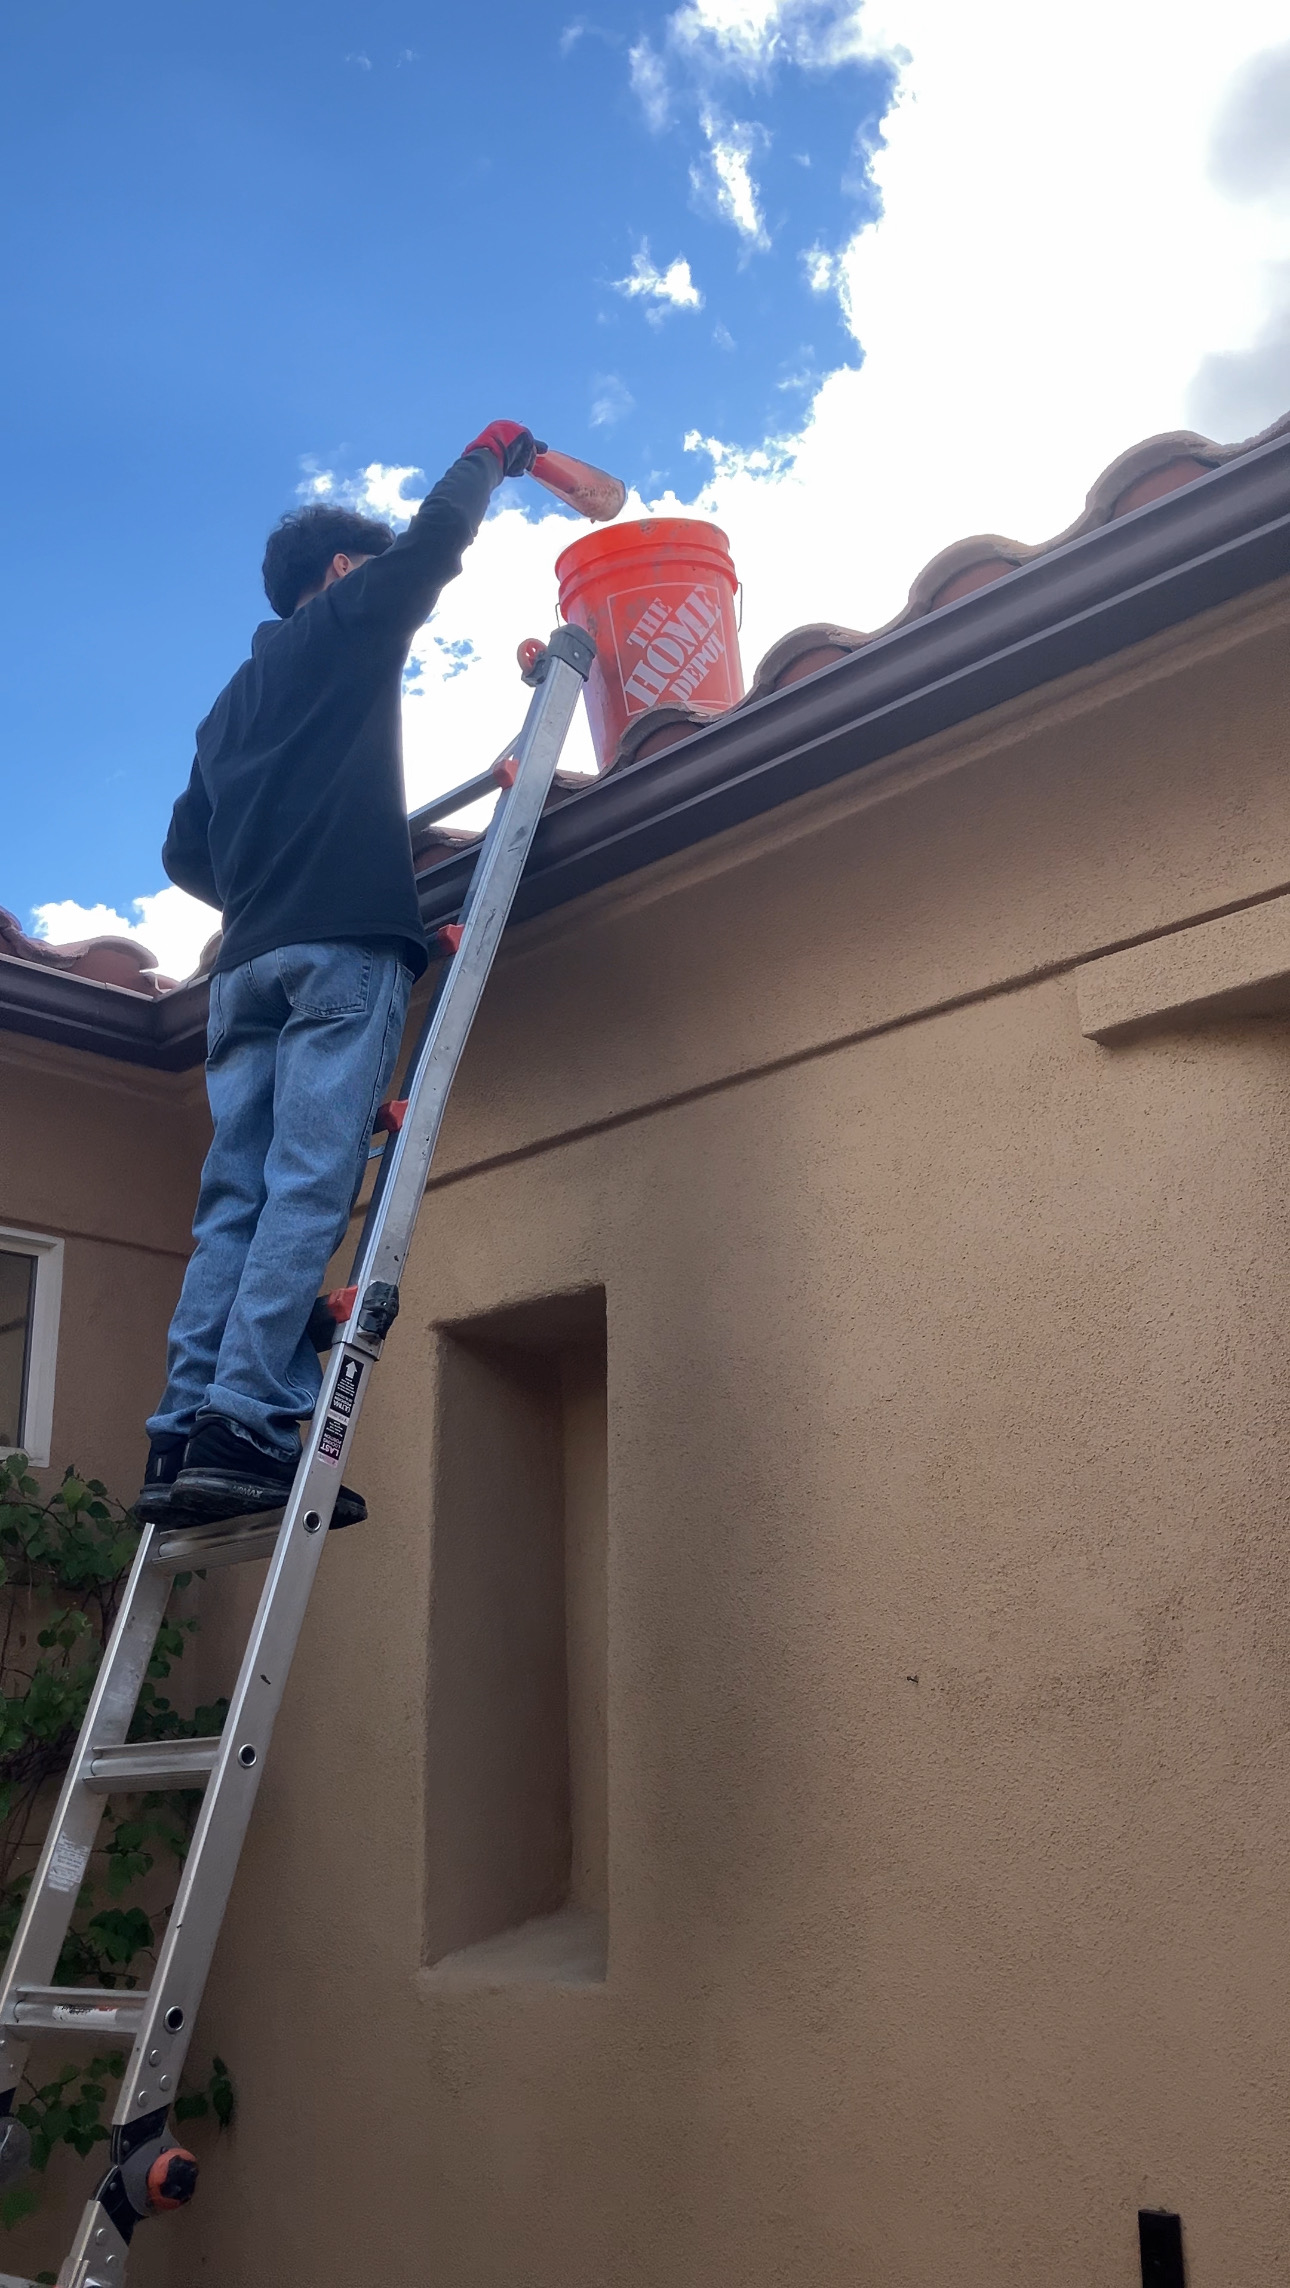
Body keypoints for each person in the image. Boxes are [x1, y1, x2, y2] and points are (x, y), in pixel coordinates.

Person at [135, 420, 543, 1527]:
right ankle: (248, 1415)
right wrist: (497, 454)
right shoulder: (347, 621)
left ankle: (182, 1435)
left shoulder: (230, 705)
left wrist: (266, 882)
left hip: (246, 972)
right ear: (339, 572)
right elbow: (435, 545)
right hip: (337, 955)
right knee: (311, 1182)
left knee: (235, 1200)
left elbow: (182, 851)